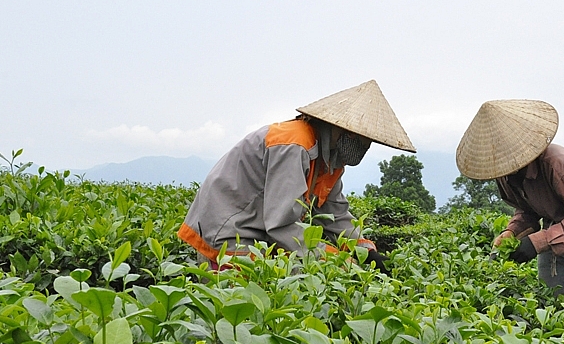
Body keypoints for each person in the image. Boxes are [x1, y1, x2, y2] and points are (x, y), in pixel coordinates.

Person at [178, 80, 416, 274]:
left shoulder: (329, 160)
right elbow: (281, 224)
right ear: (345, 130)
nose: (364, 147)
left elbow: (335, 214)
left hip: (256, 232)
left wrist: (364, 248)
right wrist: (336, 259)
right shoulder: (295, 145)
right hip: (230, 231)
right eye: (363, 140)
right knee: (242, 314)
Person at [455, 99, 564, 300]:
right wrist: (511, 232)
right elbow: (527, 210)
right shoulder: (506, 174)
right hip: (553, 240)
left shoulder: (561, 165)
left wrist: (536, 242)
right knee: (552, 308)